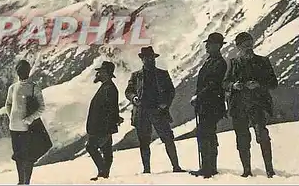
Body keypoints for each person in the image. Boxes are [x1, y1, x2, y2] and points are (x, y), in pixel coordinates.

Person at [222, 32, 278, 178]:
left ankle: (269, 170)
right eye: (244, 45)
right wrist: (234, 86)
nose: (248, 47)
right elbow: (225, 83)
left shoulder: (263, 61)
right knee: (242, 138)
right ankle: (246, 171)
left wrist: (258, 84)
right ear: (238, 46)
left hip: (258, 105)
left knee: (262, 135)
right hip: (238, 106)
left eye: (250, 44)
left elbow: (273, 83)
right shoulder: (233, 63)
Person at [125, 46, 186, 174]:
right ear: (142, 59)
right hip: (142, 112)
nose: (149, 60)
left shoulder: (162, 74)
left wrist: (165, 104)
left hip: (158, 111)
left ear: (154, 58)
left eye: (151, 57)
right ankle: (146, 170)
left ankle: (176, 166)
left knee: (168, 138)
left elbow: (171, 91)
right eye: (146, 58)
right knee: (144, 141)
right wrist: (134, 98)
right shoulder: (136, 76)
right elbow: (128, 91)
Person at [189, 33, 227, 178]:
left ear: (217, 46)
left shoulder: (219, 63)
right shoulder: (212, 61)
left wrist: (199, 96)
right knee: (206, 134)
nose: (206, 46)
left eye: (209, 44)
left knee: (206, 134)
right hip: (207, 105)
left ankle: (208, 168)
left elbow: (212, 85)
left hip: (211, 105)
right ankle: (209, 166)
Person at [5, 60, 45, 184]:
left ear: (28, 71)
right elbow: (8, 104)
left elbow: (41, 107)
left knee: (27, 157)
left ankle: (26, 182)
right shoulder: (12, 88)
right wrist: (11, 116)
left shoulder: (34, 87)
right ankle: (21, 181)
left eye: (23, 70)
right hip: (14, 127)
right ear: (17, 72)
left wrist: (29, 119)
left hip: (27, 129)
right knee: (18, 156)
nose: (21, 72)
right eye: (19, 70)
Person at [85, 61, 123, 181]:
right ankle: (103, 174)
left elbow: (111, 108)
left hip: (101, 127)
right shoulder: (107, 87)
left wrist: (109, 124)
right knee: (106, 150)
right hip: (103, 126)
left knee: (91, 147)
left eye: (100, 72)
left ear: (106, 73)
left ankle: (103, 172)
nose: (98, 74)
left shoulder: (108, 88)